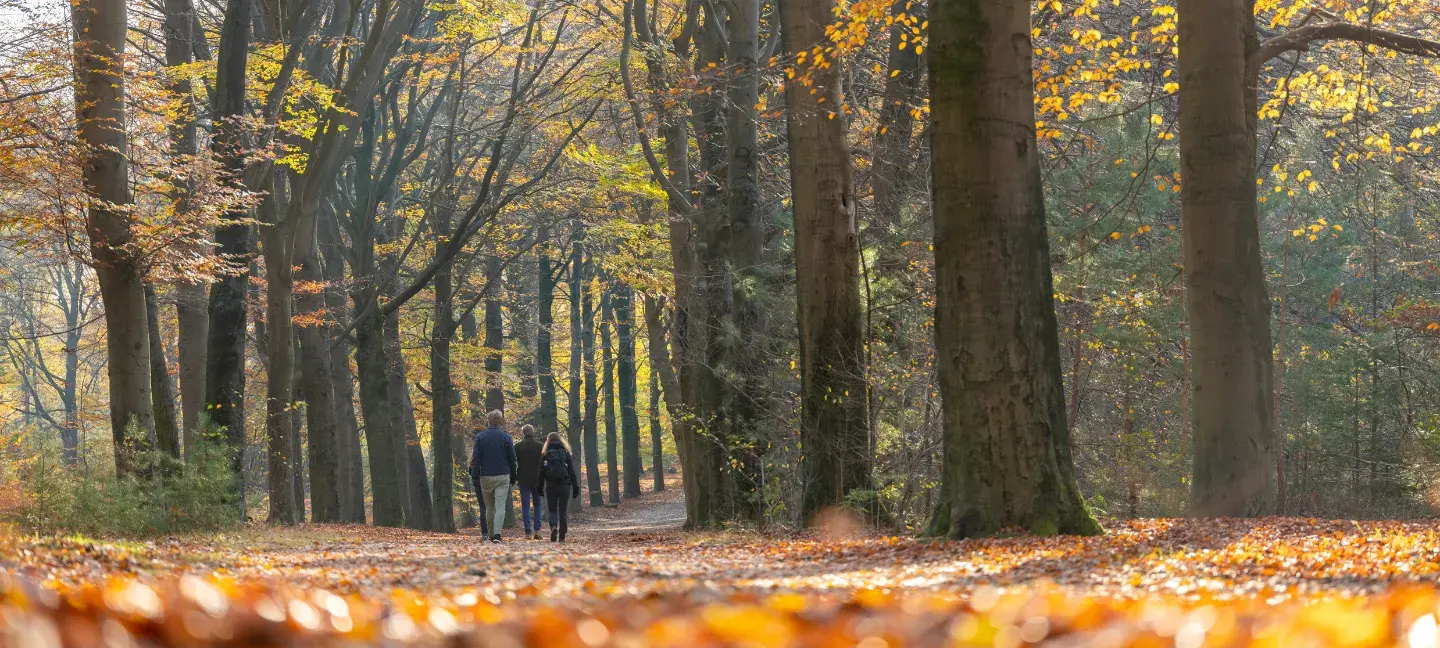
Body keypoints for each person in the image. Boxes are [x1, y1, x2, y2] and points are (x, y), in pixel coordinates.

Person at [468, 409, 517, 543]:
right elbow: (512, 458)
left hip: (486, 476)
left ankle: (490, 534)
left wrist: (475, 476)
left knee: (489, 507)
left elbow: (476, 459)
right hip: (502, 476)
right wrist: (514, 475)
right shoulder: (506, 437)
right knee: (500, 506)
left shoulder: (480, 437)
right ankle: (497, 535)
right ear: (500, 421)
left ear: (488, 420)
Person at [535, 432, 580, 542]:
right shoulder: (565, 452)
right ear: (560, 440)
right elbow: (571, 470)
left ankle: (554, 527)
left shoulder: (545, 453)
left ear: (548, 440)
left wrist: (539, 486)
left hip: (551, 485)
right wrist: (575, 486)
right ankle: (562, 535)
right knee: (563, 510)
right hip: (565, 484)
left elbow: (541, 471)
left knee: (552, 509)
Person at [514, 424, 545, 540]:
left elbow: (514, 462)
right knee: (538, 505)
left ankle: (528, 532)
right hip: (537, 479)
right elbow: (544, 463)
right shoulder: (540, 446)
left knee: (525, 506)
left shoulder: (517, 446)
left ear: (523, 433)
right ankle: (537, 530)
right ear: (533, 432)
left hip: (523, 478)